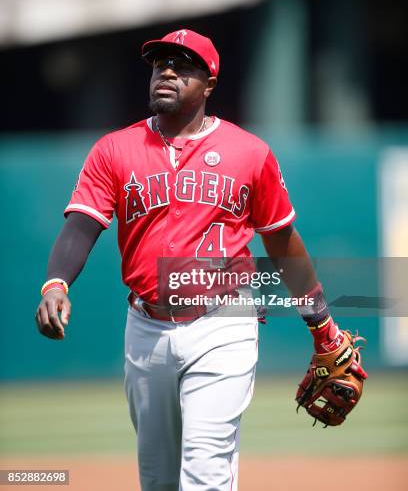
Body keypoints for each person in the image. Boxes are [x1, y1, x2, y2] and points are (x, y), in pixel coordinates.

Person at [36, 29, 366, 491]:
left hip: (224, 323)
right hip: (146, 327)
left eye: (183, 66)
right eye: (159, 64)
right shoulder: (115, 150)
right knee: (159, 480)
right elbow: (82, 224)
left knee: (206, 468)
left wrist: (323, 326)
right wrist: (55, 283)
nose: (166, 72)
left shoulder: (249, 153)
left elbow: (282, 242)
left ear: (209, 83)